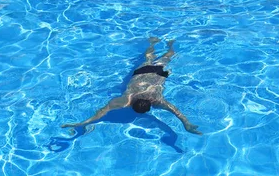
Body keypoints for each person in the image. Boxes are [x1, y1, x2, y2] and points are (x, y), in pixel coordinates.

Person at [61, 38, 201, 135]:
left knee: (154, 58)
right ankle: (168, 44)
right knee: (156, 58)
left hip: (153, 74)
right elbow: (176, 113)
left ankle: (156, 43)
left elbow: (100, 114)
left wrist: (82, 123)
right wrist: (186, 124)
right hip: (151, 75)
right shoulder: (154, 100)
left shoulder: (128, 100)